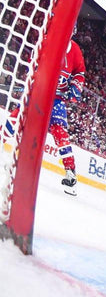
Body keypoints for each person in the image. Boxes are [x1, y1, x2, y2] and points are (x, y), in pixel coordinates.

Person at [7, 28, 86, 194]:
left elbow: (79, 72)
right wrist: (38, 77)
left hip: (56, 100)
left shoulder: (75, 50)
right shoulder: (47, 40)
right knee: (17, 117)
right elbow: (33, 60)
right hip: (39, 93)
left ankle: (71, 173)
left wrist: (75, 87)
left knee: (60, 133)